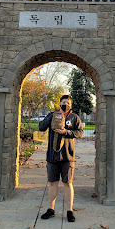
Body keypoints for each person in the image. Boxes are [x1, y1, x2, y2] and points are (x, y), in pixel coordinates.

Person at [38, 94, 83, 222]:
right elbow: (41, 127)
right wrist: (52, 117)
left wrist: (66, 132)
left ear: (71, 105)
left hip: (68, 156)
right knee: (52, 182)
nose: (66, 104)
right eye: (64, 102)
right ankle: (50, 209)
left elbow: (80, 133)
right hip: (53, 155)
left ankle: (69, 211)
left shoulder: (74, 117)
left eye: (68, 103)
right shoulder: (52, 115)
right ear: (60, 103)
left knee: (68, 183)